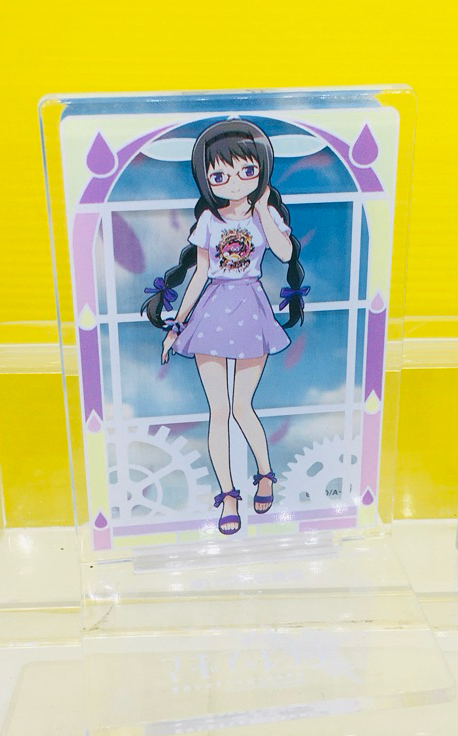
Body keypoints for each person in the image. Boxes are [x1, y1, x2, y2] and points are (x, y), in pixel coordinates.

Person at [142, 119, 309, 534]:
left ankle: (265, 473)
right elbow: (200, 273)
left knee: (241, 407)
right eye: (220, 176)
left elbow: (285, 252)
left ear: (261, 170)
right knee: (218, 411)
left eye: (247, 171)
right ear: (206, 179)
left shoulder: (266, 214)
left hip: (250, 307)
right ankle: (228, 495)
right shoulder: (209, 221)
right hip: (212, 311)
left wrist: (264, 207)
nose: (234, 182)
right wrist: (176, 326)